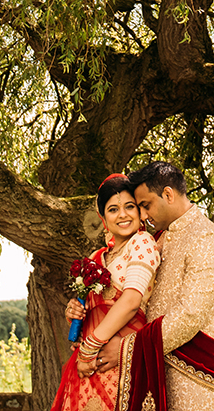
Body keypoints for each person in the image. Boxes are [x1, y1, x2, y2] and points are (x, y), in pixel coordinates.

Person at [96, 161, 214, 411]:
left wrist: (124, 349)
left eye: (145, 205)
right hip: (156, 372)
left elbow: (190, 316)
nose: (142, 216)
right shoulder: (159, 239)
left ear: (168, 194)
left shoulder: (208, 239)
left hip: (197, 381)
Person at [49, 173, 160, 411]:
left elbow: (131, 301)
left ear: (140, 211)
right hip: (88, 367)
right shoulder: (96, 258)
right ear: (103, 218)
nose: (123, 214)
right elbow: (93, 311)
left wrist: (89, 348)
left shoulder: (141, 243)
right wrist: (75, 312)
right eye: (113, 209)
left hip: (121, 363)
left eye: (129, 206)